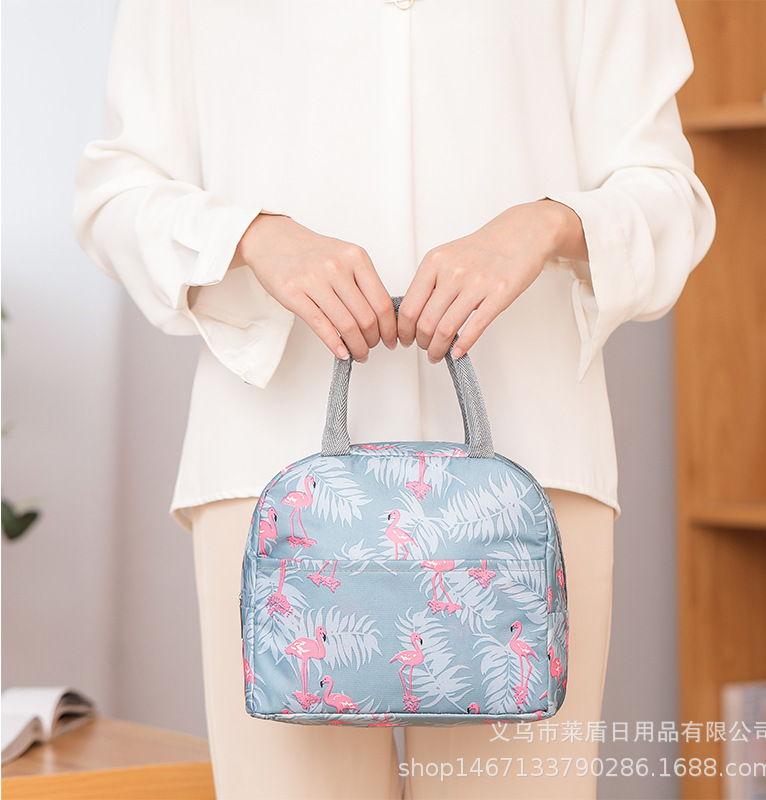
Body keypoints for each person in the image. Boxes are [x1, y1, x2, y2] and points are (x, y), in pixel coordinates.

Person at [73, 1, 714, 798]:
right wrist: (250, 235)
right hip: (275, 476)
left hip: (529, 477)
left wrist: (548, 224)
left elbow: (671, 197)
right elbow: (114, 192)